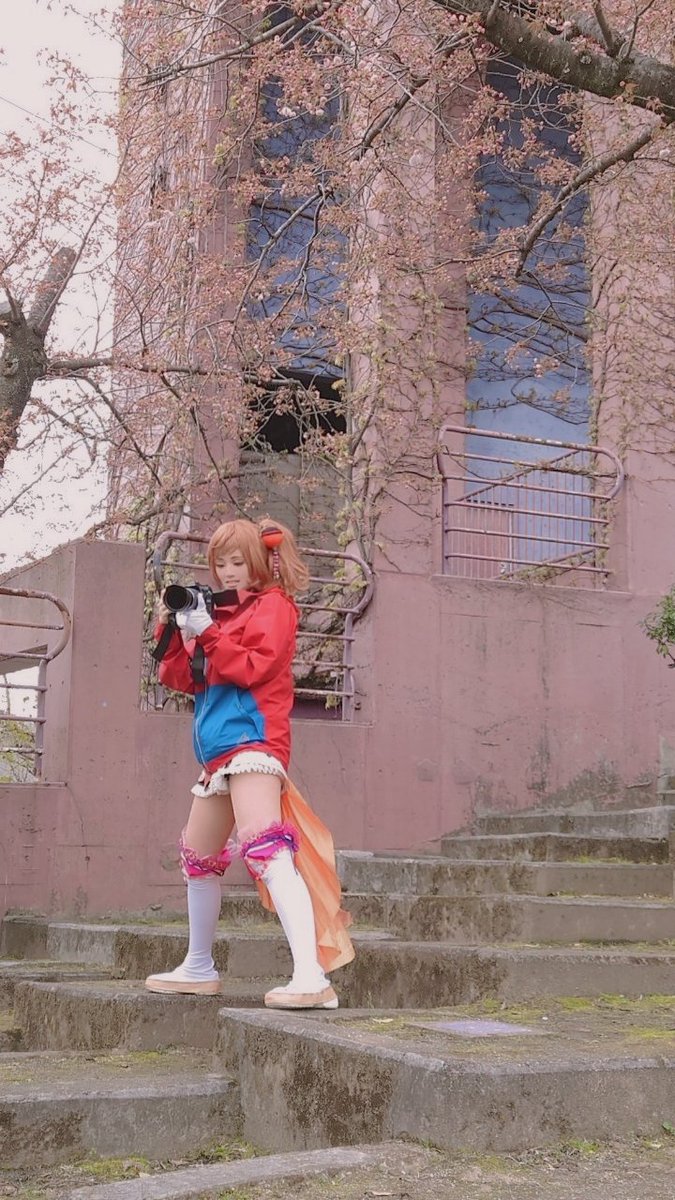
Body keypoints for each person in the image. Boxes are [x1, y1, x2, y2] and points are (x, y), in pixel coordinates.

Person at [144, 517, 354, 1009]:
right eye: (220, 563)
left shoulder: (275, 606)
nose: (228, 571)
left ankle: (310, 975)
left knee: (267, 850)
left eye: (238, 561)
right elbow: (181, 679)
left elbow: (253, 668)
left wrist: (210, 633)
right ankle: (199, 966)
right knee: (198, 859)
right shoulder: (218, 613)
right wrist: (173, 628)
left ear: (260, 560)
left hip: (255, 743)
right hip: (219, 754)